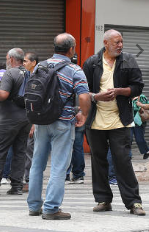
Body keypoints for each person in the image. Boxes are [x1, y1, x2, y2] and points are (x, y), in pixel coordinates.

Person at [27, 34, 90, 220]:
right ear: (71, 49)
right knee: (59, 166)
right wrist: (84, 115)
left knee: (37, 164)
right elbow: (84, 97)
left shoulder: (40, 66)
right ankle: (51, 208)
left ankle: (34, 206)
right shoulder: (74, 69)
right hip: (62, 122)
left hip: (41, 122)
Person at [83, 29, 146, 216]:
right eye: (116, 42)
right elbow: (82, 91)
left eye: (121, 42)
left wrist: (120, 91)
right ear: (106, 43)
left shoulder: (129, 61)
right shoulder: (92, 63)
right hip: (95, 121)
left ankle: (134, 202)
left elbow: (137, 87)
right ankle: (103, 200)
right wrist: (97, 97)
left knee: (123, 160)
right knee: (98, 160)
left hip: (121, 120)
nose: (120, 45)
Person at [0, 48, 30, 196]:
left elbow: (3, 94)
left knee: (0, 151)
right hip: (25, 119)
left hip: (9, 119)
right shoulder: (28, 73)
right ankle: (16, 186)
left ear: (10, 58)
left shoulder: (10, 73)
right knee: (20, 152)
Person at [22, 52, 38, 191]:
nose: (23, 63)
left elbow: (36, 101)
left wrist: (34, 123)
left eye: (26, 61)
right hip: (26, 118)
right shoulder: (27, 75)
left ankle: (29, 180)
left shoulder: (38, 76)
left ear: (33, 62)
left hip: (35, 120)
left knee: (30, 150)